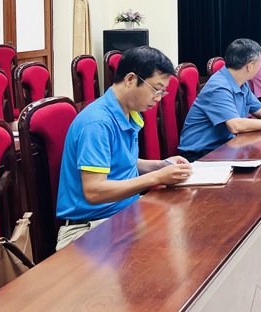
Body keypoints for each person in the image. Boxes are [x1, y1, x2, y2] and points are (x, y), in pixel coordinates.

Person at [55, 46, 193, 250]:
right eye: (156, 89)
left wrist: (161, 165)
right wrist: (157, 178)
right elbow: (94, 191)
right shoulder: (98, 123)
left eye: (163, 91)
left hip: (123, 214)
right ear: (130, 79)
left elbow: (120, 162)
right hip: (90, 227)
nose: (159, 97)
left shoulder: (128, 112)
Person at [179, 38, 261, 162]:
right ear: (250, 66)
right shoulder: (218, 87)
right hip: (201, 154)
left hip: (225, 146)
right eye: (259, 64)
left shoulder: (240, 81)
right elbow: (236, 126)